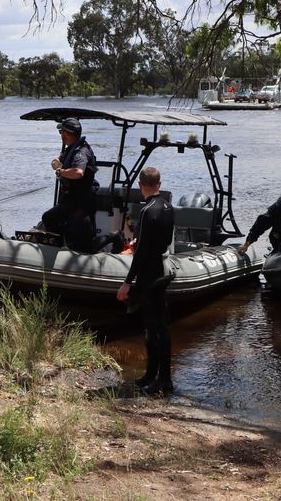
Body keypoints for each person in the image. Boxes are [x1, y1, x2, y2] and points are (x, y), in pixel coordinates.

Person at [116, 167, 175, 395]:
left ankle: (161, 379)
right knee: (162, 327)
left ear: (141, 185)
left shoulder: (147, 210)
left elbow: (141, 253)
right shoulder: (168, 208)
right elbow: (163, 239)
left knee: (153, 328)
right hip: (160, 269)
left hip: (149, 274)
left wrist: (127, 282)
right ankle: (156, 376)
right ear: (159, 183)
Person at [41, 117, 98, 252]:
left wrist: (61, 172)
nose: (61, 135)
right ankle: (61, 245)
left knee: (85, 246)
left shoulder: (81, 152)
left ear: (66, 133)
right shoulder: (70, 149)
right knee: (50, 218)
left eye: (62, 132)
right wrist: (58, 165)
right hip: (70, 200)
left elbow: (78, 172)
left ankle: (114, 237)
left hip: (80, 202)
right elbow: (55, 161)